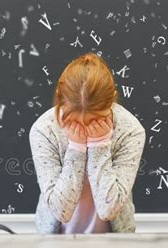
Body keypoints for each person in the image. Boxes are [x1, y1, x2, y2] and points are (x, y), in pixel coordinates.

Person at [29, 52, 146, 234]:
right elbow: (61, 211)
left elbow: (109, 209)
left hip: (116, 244)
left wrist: (99, 144)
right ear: (60, 100)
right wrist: (76, 148)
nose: (84, 129)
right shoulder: (44, 130)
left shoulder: (130, 130)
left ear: (112, 100)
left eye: (96, 121)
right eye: (74, 121)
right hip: (55, 242)